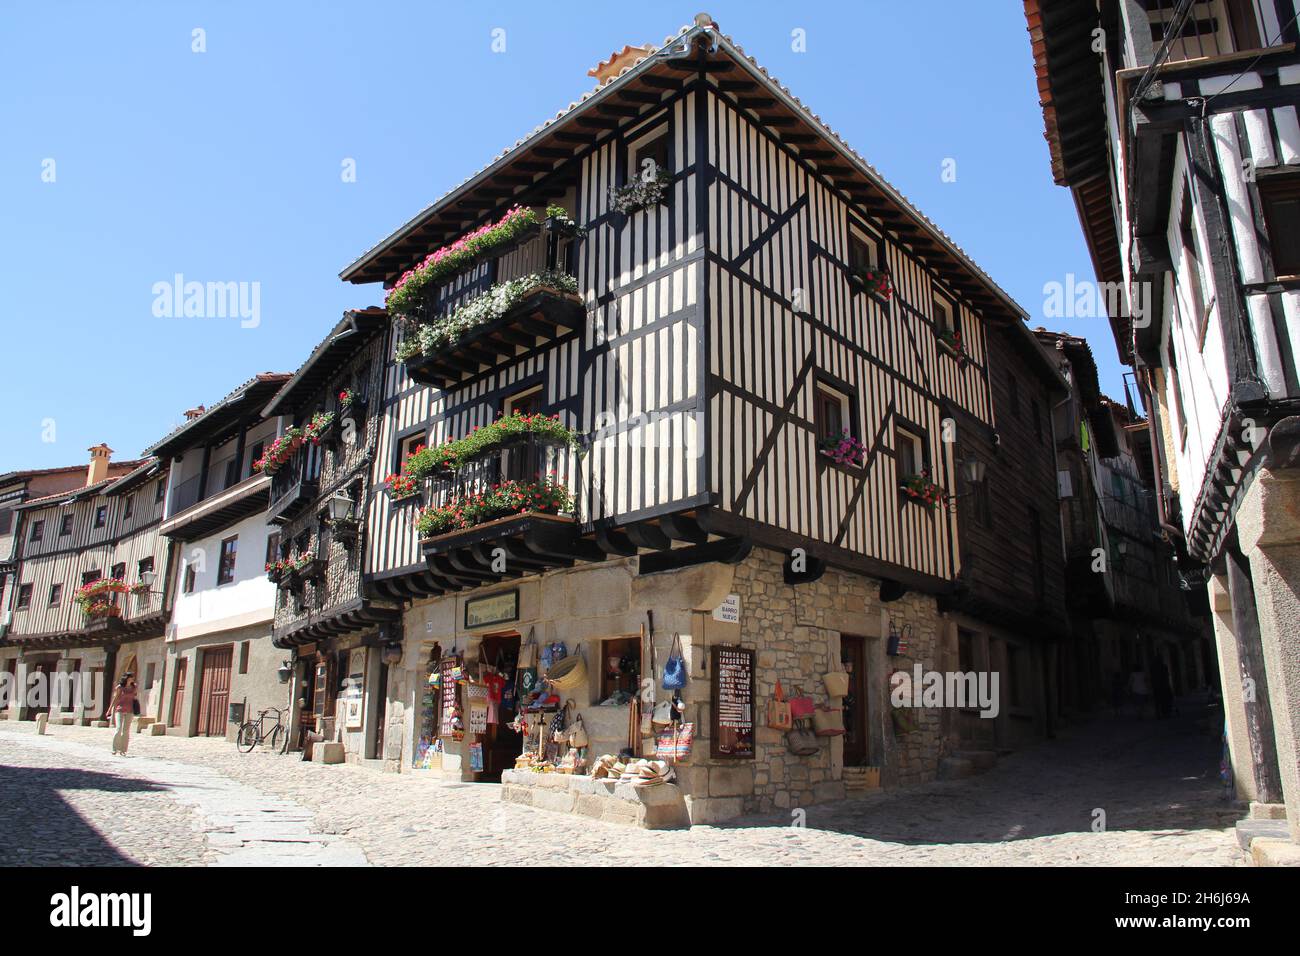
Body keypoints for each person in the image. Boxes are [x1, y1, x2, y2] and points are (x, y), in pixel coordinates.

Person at [108, 674, 137, 756]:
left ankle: (123, 750)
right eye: (131, 677)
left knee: (126, 731)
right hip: (119, 710)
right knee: (118, 728)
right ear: (127, 678)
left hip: (130, 710)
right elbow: (115, 698)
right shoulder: (119, 687)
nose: (133, 679)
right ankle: (114, 749)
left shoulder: (134, 687)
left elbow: (135, 697)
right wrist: (109, 709)